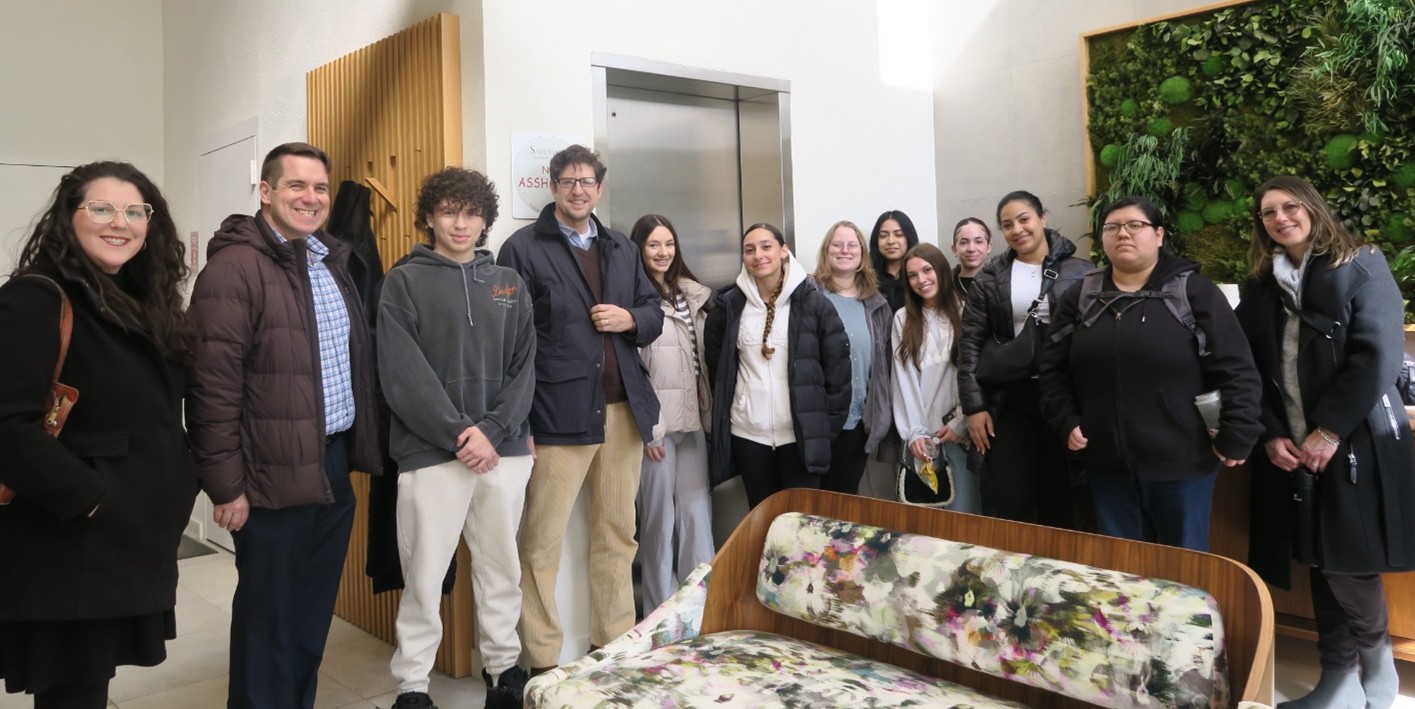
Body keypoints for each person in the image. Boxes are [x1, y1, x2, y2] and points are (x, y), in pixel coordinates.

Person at [186, 142, 382, 708]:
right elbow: (210, 387)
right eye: (296, 186)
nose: (311, 197)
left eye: (320, 188)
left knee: (311, 612)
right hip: (269, 474)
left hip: (330, 465)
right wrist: (226, 486)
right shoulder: (234, 268)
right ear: (266, 192)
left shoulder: (329, 260)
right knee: (268, 619)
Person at [0, 162, 200, 708]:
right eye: (103, 208)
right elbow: (6, 427)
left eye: (136, 211)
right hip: (73, 544)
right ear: (70, 216)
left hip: (129, 542)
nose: (122, 223)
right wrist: (91, 499)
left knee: (90, 686)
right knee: (72, 693)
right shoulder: (37, 298)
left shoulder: (138, 300)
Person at [1236, 176, 1415, 709]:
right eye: (1268, 212)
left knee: (1348, 557)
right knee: (1317, 555)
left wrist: (1329, 429)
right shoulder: (1262, 283)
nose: (1280, 218)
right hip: (1291, 442)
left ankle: (1377, 671)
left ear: (1312, 208)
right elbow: (1249, 370)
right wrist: (1270, 433)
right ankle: (1338, 677)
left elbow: (1377, 355)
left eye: (1290, 206)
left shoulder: (1361, 264)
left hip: (1356, 438)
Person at [497, 145, 663, 673]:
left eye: (587, 181)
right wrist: (517, 421)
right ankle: (542, 660)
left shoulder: (620, 246)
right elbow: (509, 344)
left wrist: (630, 319)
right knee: (539, 543)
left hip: (623, 414)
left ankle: (610, 646)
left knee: (618, 534)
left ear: (599, 187)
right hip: (557, 415)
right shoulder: (522, 248)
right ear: (552, 187)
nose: (578, 190)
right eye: (567, 181)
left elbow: (654, 313)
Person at [378, 168, 534, 709]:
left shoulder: (509, 283)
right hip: (429, 452)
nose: (460, 223)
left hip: (503, 453)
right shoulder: (403, 282)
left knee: (501, 570)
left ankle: (502, 672)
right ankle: (414, 687)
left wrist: (490, 432)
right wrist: (457, 433)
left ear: (486, 219)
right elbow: (402, 373)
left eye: (471, 213)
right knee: (423, 573)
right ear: (428, 217)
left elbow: (524, 369)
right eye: (448, 211)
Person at [1039, 196, 1263, 551]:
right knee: (1124, 573)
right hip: (1106, 463)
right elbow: (1052, 367)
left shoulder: (1193, 292)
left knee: (1185, 571)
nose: (1122, 234)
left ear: (1158, 235)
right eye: (1112, 227)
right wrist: (1065, 419)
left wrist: (1239, 431)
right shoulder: (1081, 296)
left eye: (1134, 225)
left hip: (1182, 464)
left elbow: (1237, 368)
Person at [957, 190, 1091, 528]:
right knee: (1012, 502)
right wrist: (974, 407)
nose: (1017, 229)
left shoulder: (1082, 271)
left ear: (1042, 218)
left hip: (1064, 397)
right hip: (1009, 398)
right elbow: (970, 342)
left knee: (1062, 501)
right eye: (1007, 224)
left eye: (1024, 219)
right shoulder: (990, 277)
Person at [704, 223, 851, 508]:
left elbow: (839, 376)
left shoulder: (815, 305)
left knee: (801, 526)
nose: (758, 255)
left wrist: (820, 429)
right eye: (750, 249)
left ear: (784, 251)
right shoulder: (728, 308)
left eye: (766, 246)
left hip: (800, 440)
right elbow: (719, 373)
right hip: (748, 437)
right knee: (762, 523)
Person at [630, 214, 715, 615]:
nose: (663, 252)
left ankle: (698, 609)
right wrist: (649, 428)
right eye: (653, 245)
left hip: (694, 423)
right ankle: (659, 617)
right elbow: (633, 370)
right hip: (657, 430)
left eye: (668, 244)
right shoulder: (635, 299)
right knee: (658, 524)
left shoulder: (694, 295)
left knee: (697, 518)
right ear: (639, 249)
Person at [891, 243, 978, 512]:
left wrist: (962, 421)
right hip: (923, 442)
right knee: (925, 527)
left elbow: (978, 371)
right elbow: (903, 380)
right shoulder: (903, 319)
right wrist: (914, 432)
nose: (921, 280)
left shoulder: (968, 311)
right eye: (913, 276)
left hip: (960, 436)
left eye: (927, 270)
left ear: (940, 269)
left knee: (965, 518)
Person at [810, 221, 892, 497]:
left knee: (843, 499)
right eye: (837, 244)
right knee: (812, 501)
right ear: (826, 250)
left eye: (852, 245)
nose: (844, 250)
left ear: (862, 254)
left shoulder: (876, 304)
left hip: (858, 421)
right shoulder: (808, 295)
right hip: (816, 419)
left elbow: (884, 366)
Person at [868, 210, 921, 311]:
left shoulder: (921, 276)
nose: (891, 241)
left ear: (909, 238)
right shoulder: (866, 277)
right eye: (883, 235)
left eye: (899, 234)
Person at [951, 217, 992, 295]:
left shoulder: (1001, 282)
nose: (971, 249)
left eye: (978, 242)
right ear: (954, 249)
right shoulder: (944, 284)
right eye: (964, 243)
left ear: (989, 247)